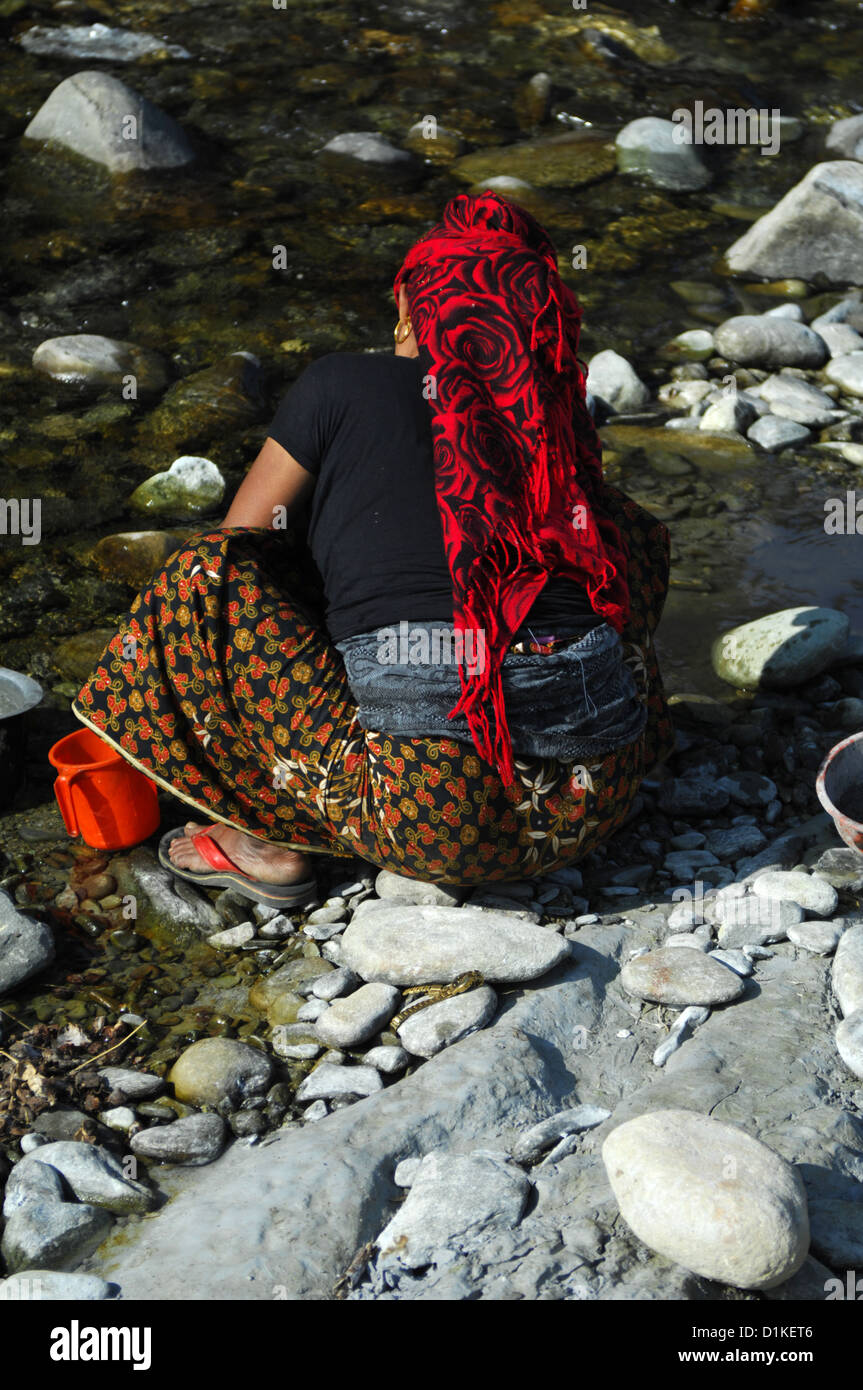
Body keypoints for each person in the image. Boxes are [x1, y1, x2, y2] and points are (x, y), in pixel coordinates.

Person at [71, 190, 674, 908]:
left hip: (427, 823)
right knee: (622, 530)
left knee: (206, 573)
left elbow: (242, 543)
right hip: (591, 807)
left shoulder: (341, 382)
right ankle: (614, 732)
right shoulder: (555, 420)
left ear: (407, 306)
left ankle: (267, 842)